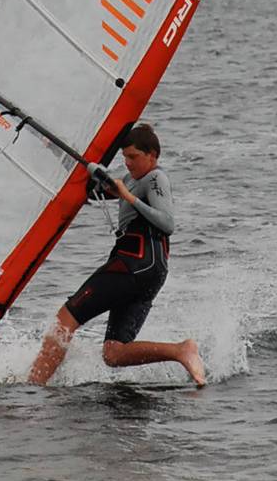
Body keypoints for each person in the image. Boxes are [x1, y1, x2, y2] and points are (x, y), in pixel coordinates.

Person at [27, 122, 206, 387]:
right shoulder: (133, 180)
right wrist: (55, 150)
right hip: (148, 272)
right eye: (125, 157)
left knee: (65, 319)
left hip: (135, 265)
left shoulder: (155, 178)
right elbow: (91, 187)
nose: (128, 163)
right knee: (113, 353)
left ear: (152, 155)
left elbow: (168, 223)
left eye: (133, 157)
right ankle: (181, 351)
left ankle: (32, 388)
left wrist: (127, 196)